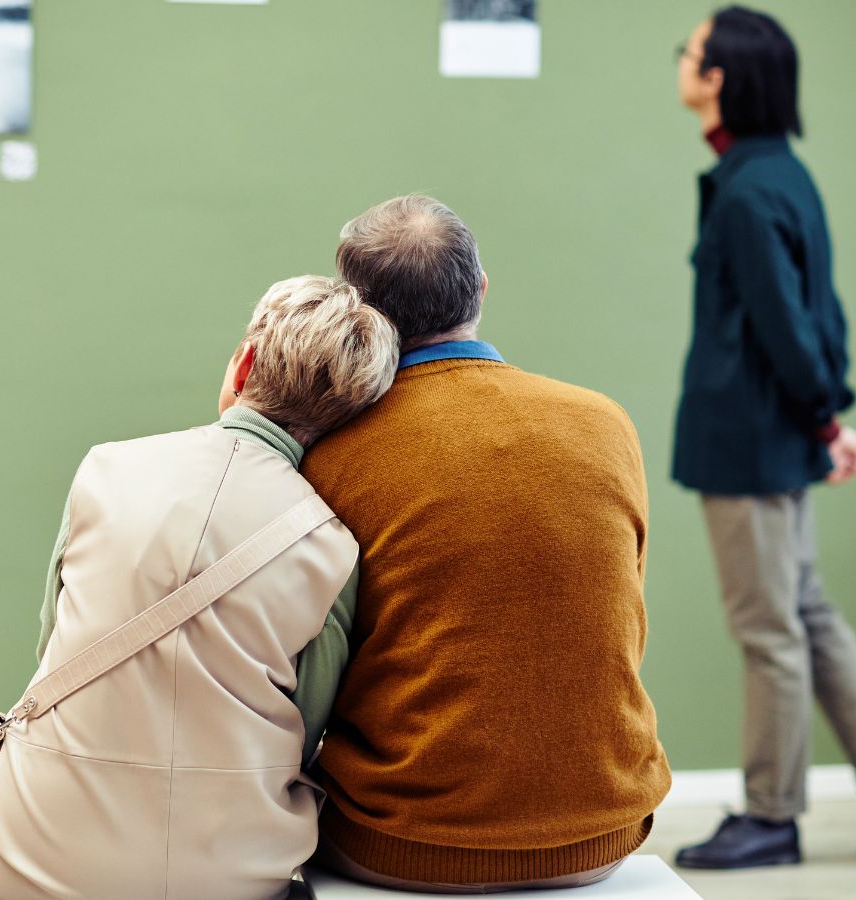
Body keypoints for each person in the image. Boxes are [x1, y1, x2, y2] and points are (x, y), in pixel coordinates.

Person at [0, 275, 400, 899]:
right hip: (232, 874)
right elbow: (305, 731)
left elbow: (52, 645)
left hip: (35, 856)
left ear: (245, 362)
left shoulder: (107, 469)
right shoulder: (330, 547)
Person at [300, 194, 672, 893]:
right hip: (602, 837)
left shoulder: (333, 452)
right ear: (480, 289)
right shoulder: (605, 424)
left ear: (358, 311)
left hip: (397, 843)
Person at [671, 6, 856, 869]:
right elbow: (822, 316)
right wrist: (826, 419)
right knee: (807, 612)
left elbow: (789, 326)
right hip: (778, 433)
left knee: (769, 629)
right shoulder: (784, 175)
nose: (681, 64)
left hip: (749, 443)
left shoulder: (747, 191)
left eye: (692, 54)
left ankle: (772, 816)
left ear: (721, 80)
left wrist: (826, 417)